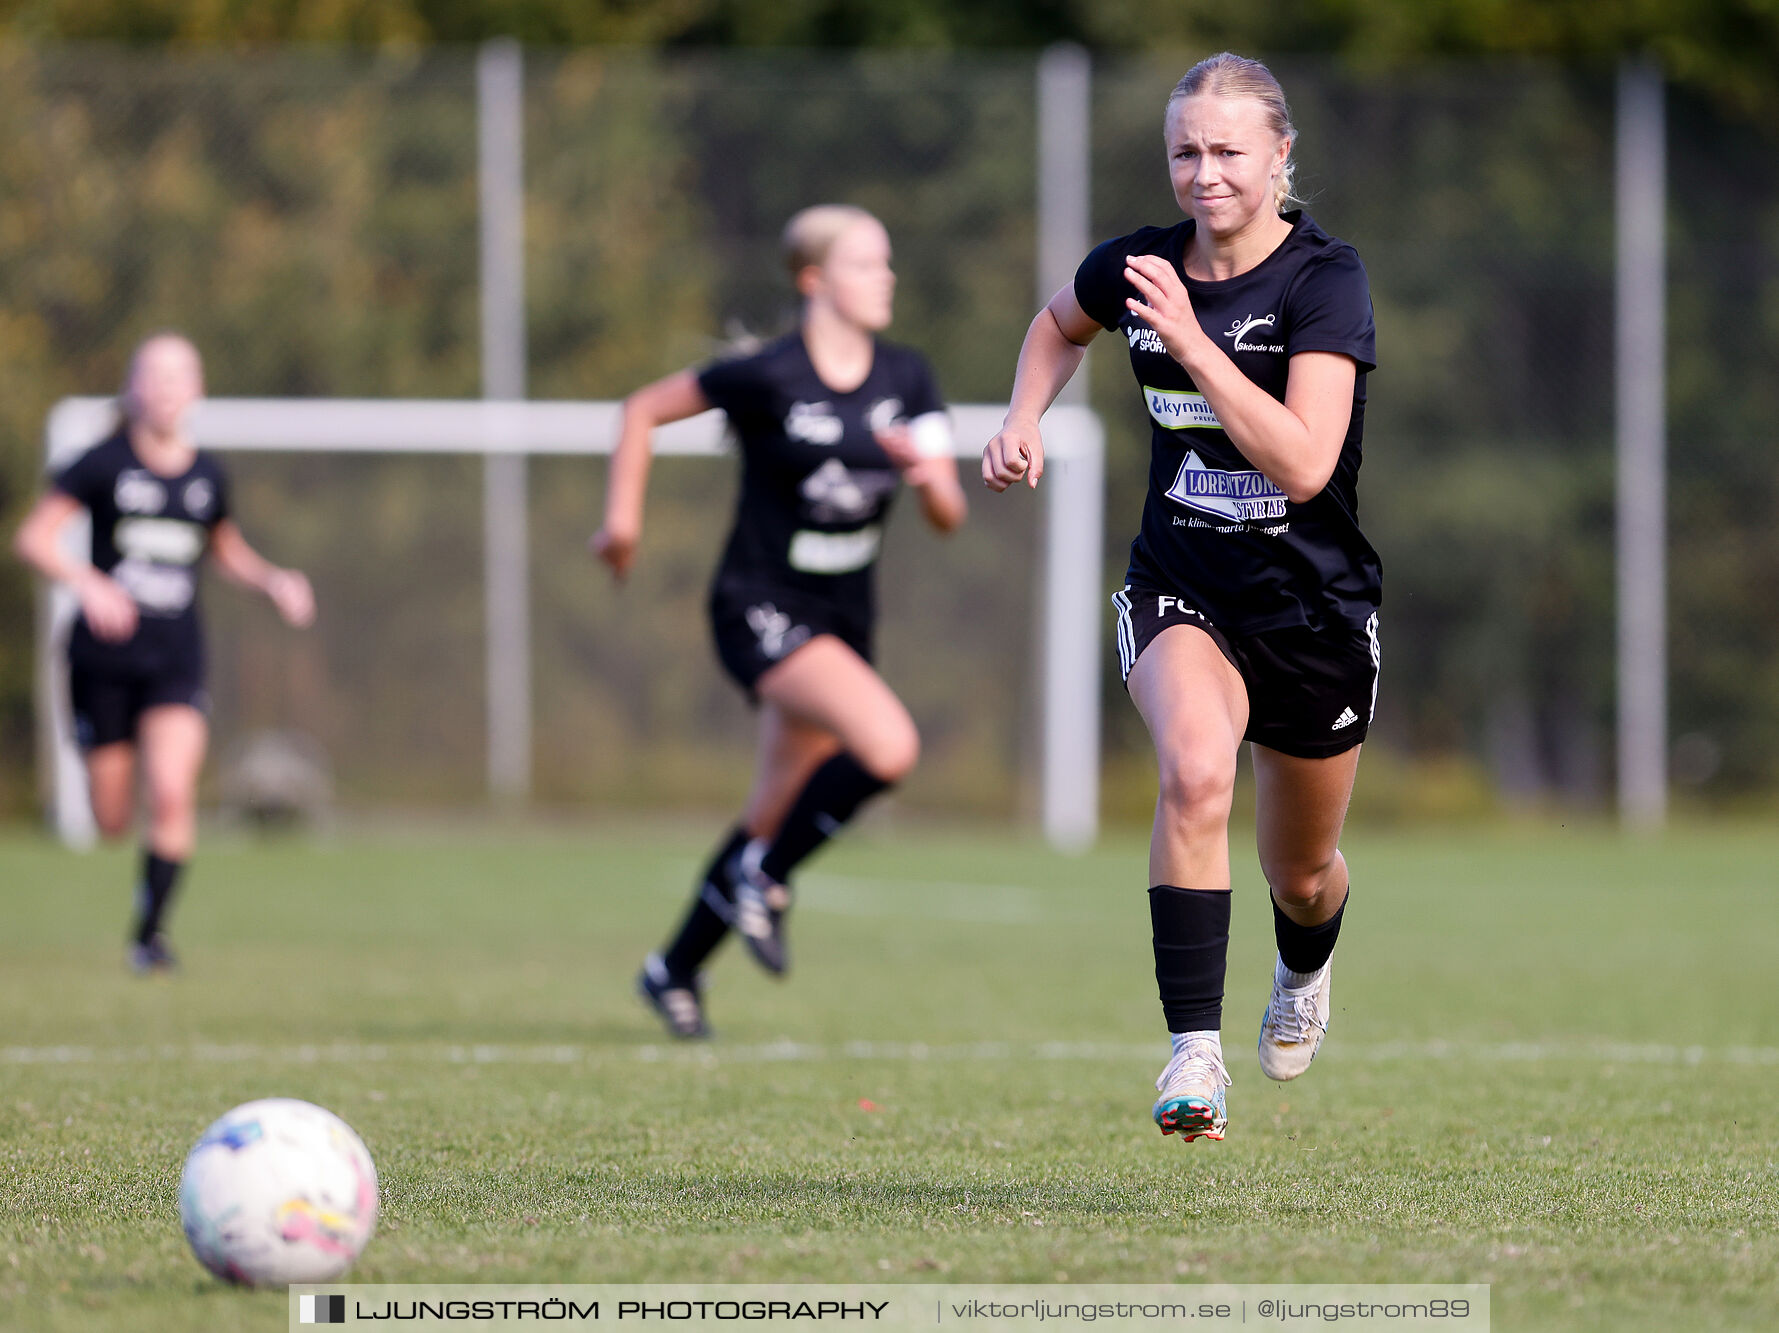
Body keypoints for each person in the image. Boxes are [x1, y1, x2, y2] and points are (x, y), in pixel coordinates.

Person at [983, 53, 1380, 1143]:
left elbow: (1303, 464)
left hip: (1314, 610)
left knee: (1299, 873)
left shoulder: (1324, 282)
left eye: (1228, 151)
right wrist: (1024, 417)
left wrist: (1196, 345)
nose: (1204, 173)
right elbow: (1059, 323)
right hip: (1181, 585)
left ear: (1280, 155)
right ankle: (1192, 1053)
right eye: (1185, 152)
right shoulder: (1137, 266)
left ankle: (1305, 968)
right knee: (1195, 771)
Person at [594, 204, 968, 1039]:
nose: (886, 278)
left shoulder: (907, 377)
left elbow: (949, 512)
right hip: (757, 604)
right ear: (814, 281)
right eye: (866, 264)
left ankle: (674, 967)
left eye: (886, 263)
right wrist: (621, 521)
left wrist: (926, 476)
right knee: (888, 745)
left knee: (774, 803)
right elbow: (639, 411)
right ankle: (764, 876)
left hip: (842, 615)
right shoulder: (767, 374)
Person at [13, 333, 316, 972]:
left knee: (174, 794)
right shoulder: (100, 463)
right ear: (133, 389)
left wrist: (273, 581)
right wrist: (88, 582)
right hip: (103, 662)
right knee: (112, 819)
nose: (167, 389)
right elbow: (34, 539)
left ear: (197, 390)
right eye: (154, 377)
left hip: (176, 658)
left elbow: (224, 549)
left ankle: (149, 936)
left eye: (180, 377)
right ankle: (142, 902)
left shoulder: (209, 475)